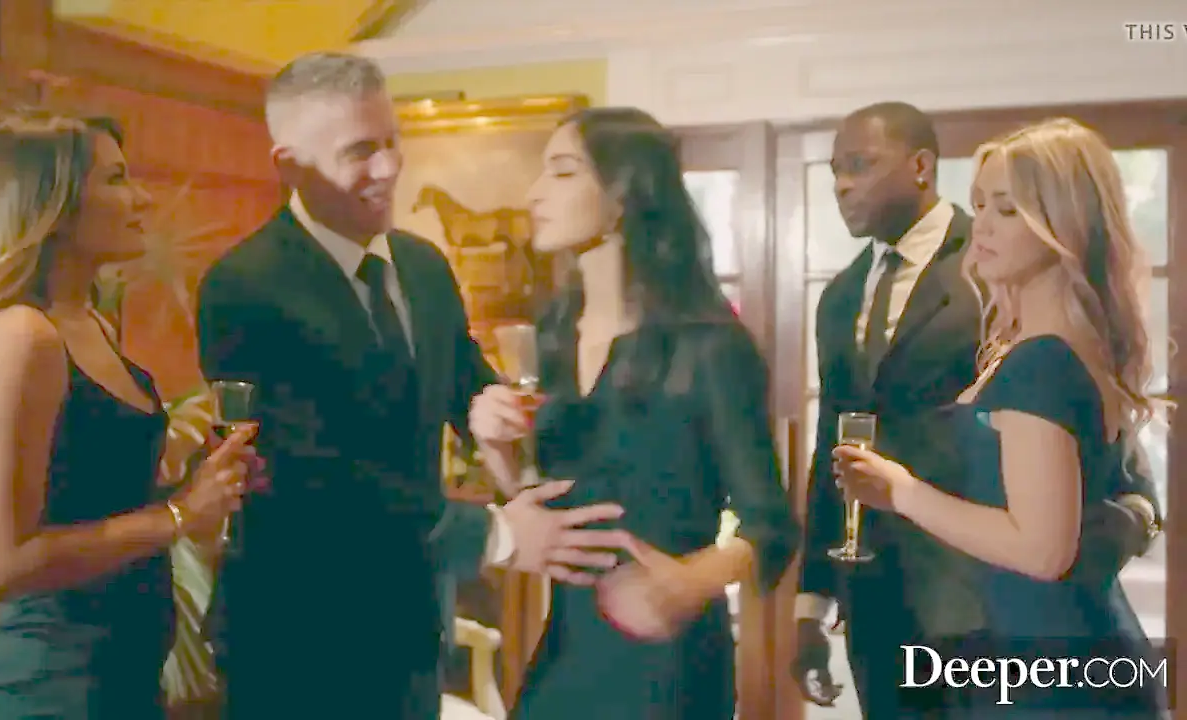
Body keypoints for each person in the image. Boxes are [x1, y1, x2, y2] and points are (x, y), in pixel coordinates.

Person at [196, 52, 631, 720]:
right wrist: (498, 535)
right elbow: (307, 471)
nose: (390, 167)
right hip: (298, 639)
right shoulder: (242, 288)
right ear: (290, 165)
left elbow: (465, 384)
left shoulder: (424, 266)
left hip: (415, 631)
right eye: (360, 151)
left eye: (392, 141)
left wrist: (495, 412)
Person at [793, 103, 1162, 719]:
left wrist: (1114, 533)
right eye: (981, 203)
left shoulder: (1030, 333)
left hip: (1014, 633)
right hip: (888, 607)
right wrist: (812, 600)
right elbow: (830, 450)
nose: (843, 185)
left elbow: (1098, 490)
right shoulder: (840, 298)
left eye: (860, 164)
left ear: (920, 166)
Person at [0, 114, 256, 720]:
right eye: (117, 179)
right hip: (49, 691)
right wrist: (179, 513)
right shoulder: (21, 336)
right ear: (54, 204)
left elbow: (93, 503)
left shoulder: (90, 321)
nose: (142, 197)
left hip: (121, 682)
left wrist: (200, 485)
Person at [469, 107, 799, 720]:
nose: (534, 193)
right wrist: (497, 449)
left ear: (623, 194)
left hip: (667, 665)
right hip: (568, 647)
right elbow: (555, 505)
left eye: (562, 171)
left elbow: (771, 524)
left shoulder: (708, 345)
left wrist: (693, 580)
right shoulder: (553, 335)